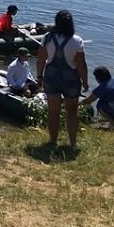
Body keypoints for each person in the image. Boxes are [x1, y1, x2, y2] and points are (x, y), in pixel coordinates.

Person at [36, 10, 88, 148]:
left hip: (51, 77)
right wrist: (85, 81)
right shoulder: (77, 40)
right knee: (72, 112)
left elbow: (41, 59)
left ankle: (53, 141)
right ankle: (72, 143)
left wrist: (39, 77)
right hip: (71, 79)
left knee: (53, 111)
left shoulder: (47, 38)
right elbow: (81, 65)